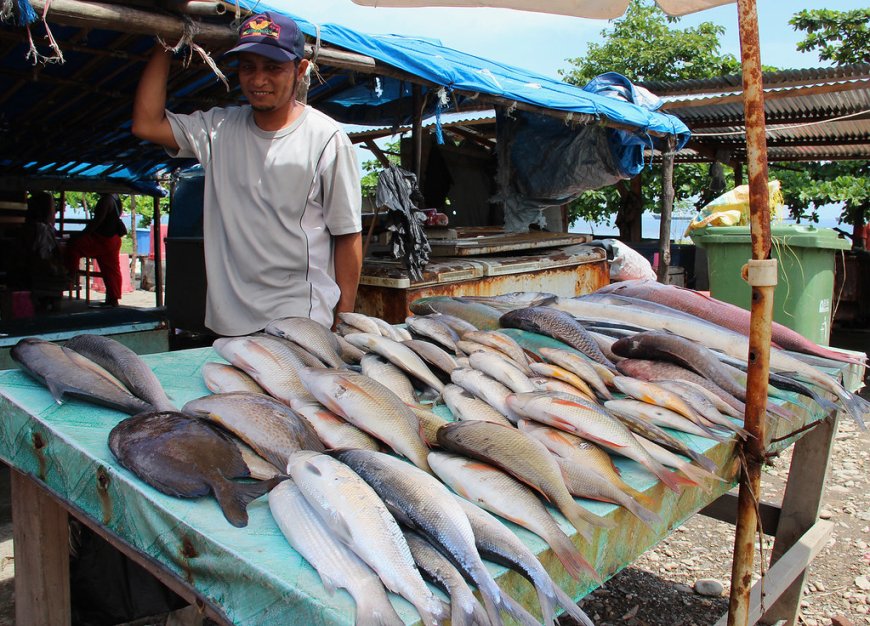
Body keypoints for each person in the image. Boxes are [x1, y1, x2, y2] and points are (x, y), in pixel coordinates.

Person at [131, 11, 362, 336]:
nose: (258, 80)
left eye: (273, 67)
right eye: (248, 67)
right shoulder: (218, 130)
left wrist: (345, 319)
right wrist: (164, 45)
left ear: (300, 70)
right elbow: (146, 124)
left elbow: (347, 234)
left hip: (299, 324)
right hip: (229, 327)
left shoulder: (326, 139)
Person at [8, 191, 68, 311]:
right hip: (38, 272)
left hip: (27, 270)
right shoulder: (42, 229)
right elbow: (44, 254)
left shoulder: (30, 228)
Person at [65, 193, 125, 307]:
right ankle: (113, 299)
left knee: (74, 246)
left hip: (101, 240)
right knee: (112, 270)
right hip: (113, 239)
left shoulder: (106, 200)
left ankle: (69, 277)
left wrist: (81, 235)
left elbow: (97, 221)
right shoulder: (116, 198)